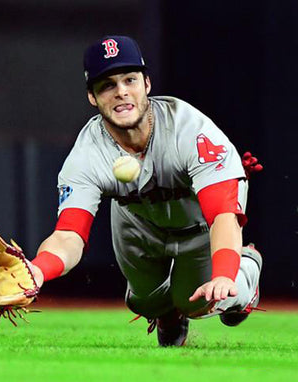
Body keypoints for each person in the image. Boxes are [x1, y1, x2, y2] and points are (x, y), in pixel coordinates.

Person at [29, 35, 263, 347]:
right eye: (107, 84)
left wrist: (223, 273)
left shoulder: (190, 130)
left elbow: (222, 214)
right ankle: (166, 315)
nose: (121, 91)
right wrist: (38, 270)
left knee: (197, 299)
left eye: (129, 79)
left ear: (147, 84)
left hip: (200, 222)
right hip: (138, 220)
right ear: (92, 97)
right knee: (144, 302)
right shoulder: (87, 154)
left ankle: (247, 272)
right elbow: (69, 234)